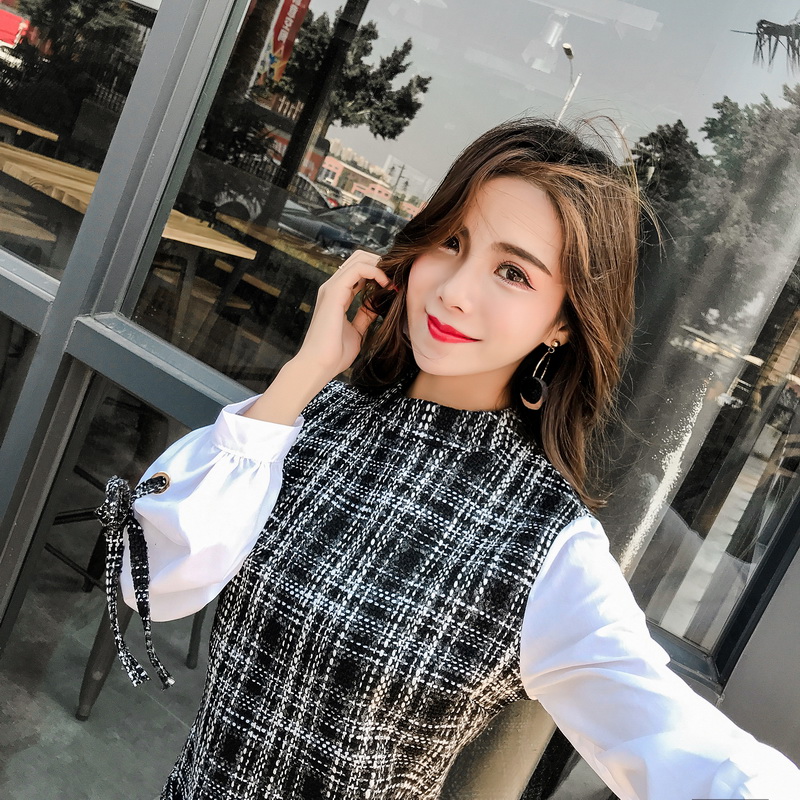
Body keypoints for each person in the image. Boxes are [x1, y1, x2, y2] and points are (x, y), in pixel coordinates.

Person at [98, 118, 800, 800]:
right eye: (452, 241)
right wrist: (303, 374)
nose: (455, 290)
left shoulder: (545, 545)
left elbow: (685, 751)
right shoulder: (313, 415)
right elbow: (147, 578)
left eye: (512, 272)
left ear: (563, 321)